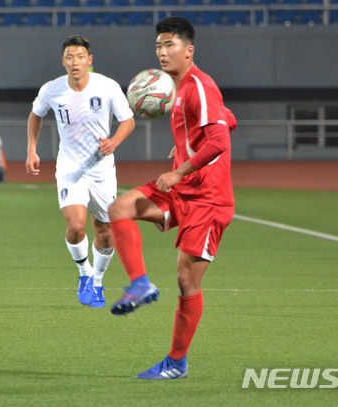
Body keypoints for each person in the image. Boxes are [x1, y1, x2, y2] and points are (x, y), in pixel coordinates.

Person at [108, 17, 237, 380]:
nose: (162, 52)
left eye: (170, 45)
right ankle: (139, 284)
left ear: (188, 50)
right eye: (158, 47)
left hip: (208, 199)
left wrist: (181, 169)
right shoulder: (176, 88)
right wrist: (185, 144)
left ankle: (176, 362)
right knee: (119, 207)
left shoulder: (199, 85)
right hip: (182, 190)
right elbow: (228, 121)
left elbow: (221, 140)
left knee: (186, 282)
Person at [26, 35, 135, 308]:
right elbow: (36, 114)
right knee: (75, 226)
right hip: (70, 169)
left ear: (90, 60)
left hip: (101, 171)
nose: (75, 62)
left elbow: (128, 120)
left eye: (80, 57)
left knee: (105, 231)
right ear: (63, 61)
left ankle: (98, 281)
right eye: (70, 57)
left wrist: (115, 141)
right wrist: (31, 149)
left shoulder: (107, 87)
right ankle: (84, 273)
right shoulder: (52, 89)